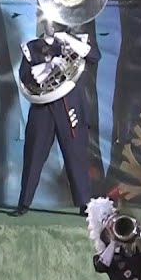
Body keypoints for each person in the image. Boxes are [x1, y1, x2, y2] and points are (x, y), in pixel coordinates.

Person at [12, 15, 101, 216]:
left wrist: (69, 40)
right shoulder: (32, 47)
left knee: (76, 154)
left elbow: (94, 57)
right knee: (34, 153)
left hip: (69, 105)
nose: (51, 22)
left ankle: (85, 204)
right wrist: (47, 67)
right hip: (42, 108)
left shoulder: (74, 42)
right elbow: (25, 77)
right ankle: (24, 203)